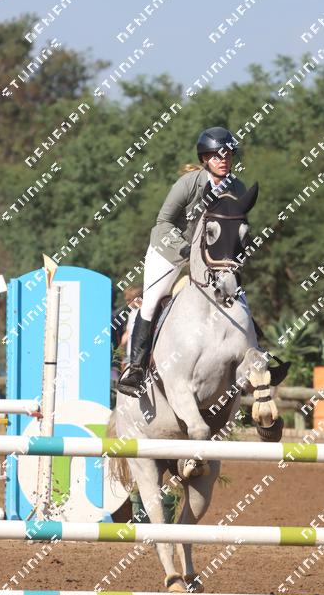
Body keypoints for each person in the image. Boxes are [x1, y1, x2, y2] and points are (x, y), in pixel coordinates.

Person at [118, 126, 288, 396]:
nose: (224, 160)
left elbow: (237, 226)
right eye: (217, 155)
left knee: (238, 298)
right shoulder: (188, 184)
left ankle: (259, 360)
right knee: (150, 302)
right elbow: (163, 223)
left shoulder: (237, 188)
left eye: (228, 155)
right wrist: (184, 249)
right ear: (205, 159)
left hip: (210, 256)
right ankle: (136, 369)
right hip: (170, 250)